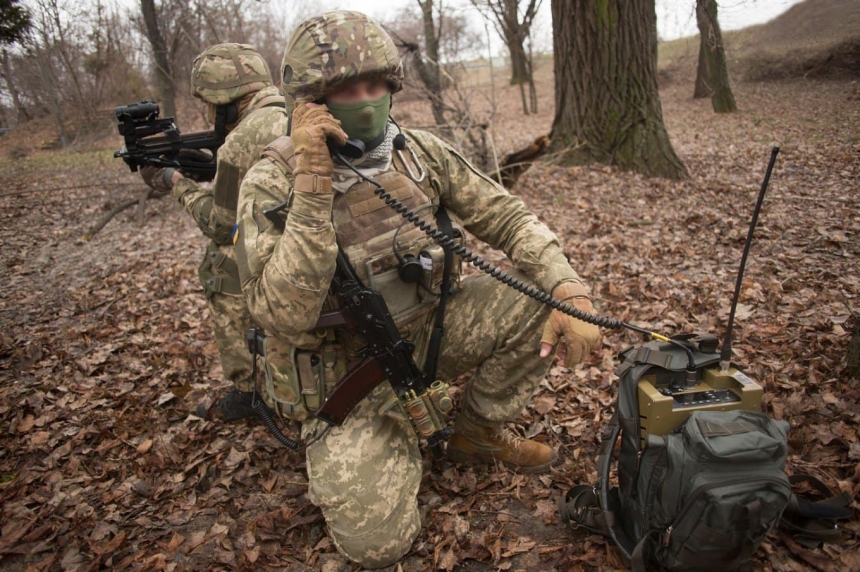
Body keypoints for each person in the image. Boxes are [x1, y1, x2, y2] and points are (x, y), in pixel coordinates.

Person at [235, 11, 601, 568]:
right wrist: (312, 184)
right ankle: (389, 431)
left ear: (392, 85)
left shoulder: (419, 152)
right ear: (310, 101)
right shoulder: (270, 181)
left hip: (431, 332)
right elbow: (281, 313)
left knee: (539, 298)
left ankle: (476, 432)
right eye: (345, 90)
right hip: (345, 376)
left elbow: (508, 218)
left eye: (375, 85)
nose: (365, 100)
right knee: (378, 547)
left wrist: (568, 287)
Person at [140, 43, 288, 421]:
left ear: (225, 102)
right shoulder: (296, 110)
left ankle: (250, 390)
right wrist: (209, 170)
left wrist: (174, 181)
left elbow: (222, 227)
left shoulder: (240, 142)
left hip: (279, 248)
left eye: (209, 103)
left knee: (220, 263)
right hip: (308, 236)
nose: (207, 113)